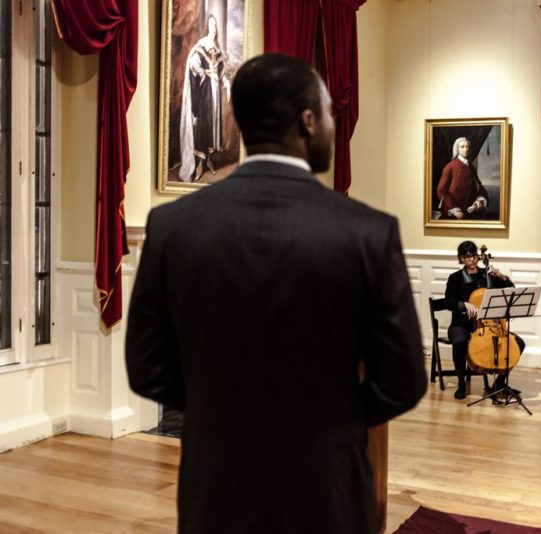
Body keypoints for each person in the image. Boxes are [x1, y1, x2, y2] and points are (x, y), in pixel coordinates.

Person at [126, 53, 428, 533]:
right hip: (326, 487)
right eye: (330, 113)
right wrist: (336, 422)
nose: (332, 124)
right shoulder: (368, 232)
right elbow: (404, 380)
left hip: (215, 486)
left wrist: (217, 409)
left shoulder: (172, 226)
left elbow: (147, 369)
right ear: (307, 122)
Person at [443, 240, 525, 400]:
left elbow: (510, 288)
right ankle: (461, 382)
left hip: (489, 326)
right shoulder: (455, 278)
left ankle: (499, 382)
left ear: (478, 257)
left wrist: (502, 276)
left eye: (473, 256)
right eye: (467, 257)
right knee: (459, 341)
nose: (471, 260)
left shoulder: (487, 275)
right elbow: (448, 302)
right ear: (461, 259)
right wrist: (463, 304)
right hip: (462, 324)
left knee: (519, 343)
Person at [178, 14, 232, 182]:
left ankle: (208, 160)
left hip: (215, 92)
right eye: (211, 25)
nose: (214, 29)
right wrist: (202, 73)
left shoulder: (217, 49)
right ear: (207, 27)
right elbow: (193, 62)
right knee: (204, 126)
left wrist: (227, 84)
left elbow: (221, 72)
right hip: (205, 92)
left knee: (213, 127)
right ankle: (200, 164)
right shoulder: (202, 46)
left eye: (216, 26)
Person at [436, 137, 489, 219]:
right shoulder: (450, 166)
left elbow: (479, 187)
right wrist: (454, 209)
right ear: (457, 149)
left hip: (469, 211)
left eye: (467, 146)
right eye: (462, 146)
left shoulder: (470, 166)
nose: (466, 149)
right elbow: (441, 191)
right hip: (453, 213)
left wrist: (479, 200)